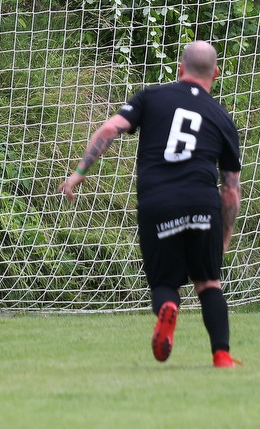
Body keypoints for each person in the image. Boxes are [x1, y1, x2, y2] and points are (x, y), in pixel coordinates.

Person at [58, 41, 242, 368]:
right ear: (215, 73)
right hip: (203, 203)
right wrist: (223, 239)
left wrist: (79, 173)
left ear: (180, 69)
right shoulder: (222, 118)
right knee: (209, 282)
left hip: (159, 202)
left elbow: (110, 128)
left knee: (164, 283)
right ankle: (222, 355)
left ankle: (168, 309)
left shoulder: (152, 96)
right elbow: (231, 190)